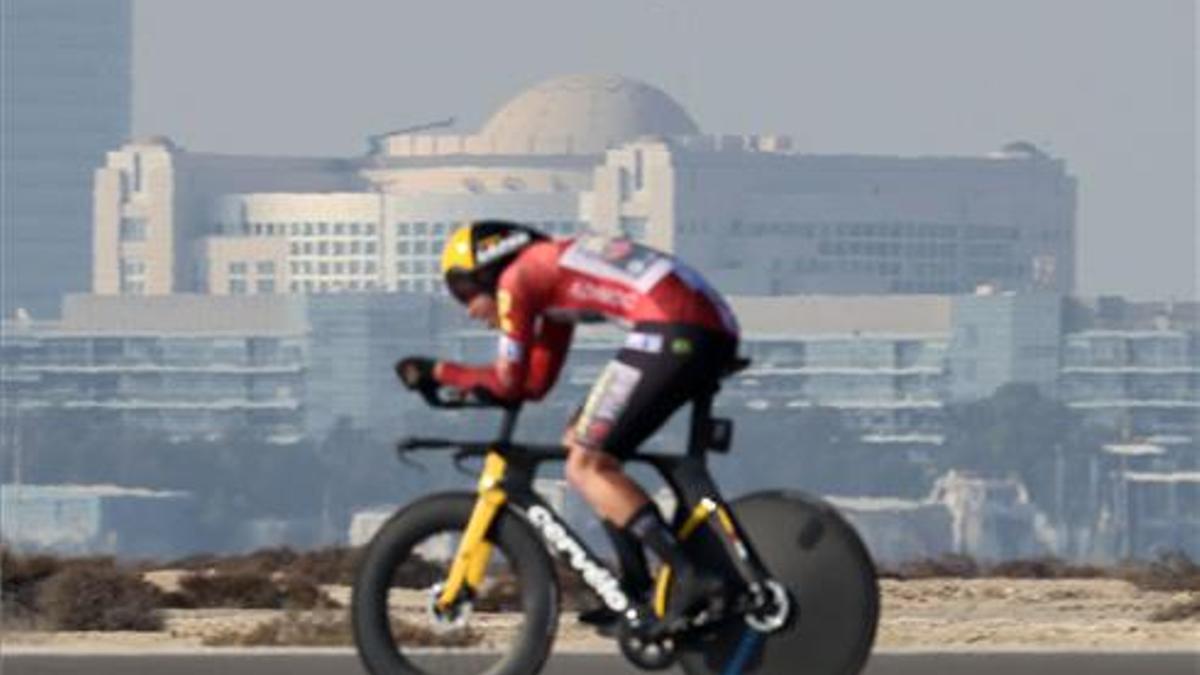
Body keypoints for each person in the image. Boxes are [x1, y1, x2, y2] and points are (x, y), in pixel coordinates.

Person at [397, 220, 740, 625]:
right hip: (698, 325)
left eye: (463, 291)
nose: (469, 310)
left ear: (487, 271)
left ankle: (690, 575)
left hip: (673, 327)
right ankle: (635, 586)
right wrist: (478, 386)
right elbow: (535, 382)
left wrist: (438, 372)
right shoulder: (549, 279)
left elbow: (509, 380)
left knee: (586, 464)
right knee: (581, 442)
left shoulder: (517, 278)